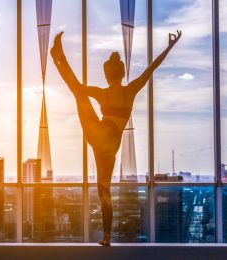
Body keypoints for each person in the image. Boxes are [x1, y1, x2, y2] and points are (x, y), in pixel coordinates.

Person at [50, 30, 182, 246]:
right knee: (104, 190)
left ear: (106, 75)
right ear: (122, 74)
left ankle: (58, 57)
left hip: (97, 132)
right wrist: (169, 46)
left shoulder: (101, 93)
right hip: (110, 144)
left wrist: (60, 62)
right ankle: (107, 236)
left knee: (78, 93)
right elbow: (152, 68)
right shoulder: (130, 90)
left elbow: (76, 87)